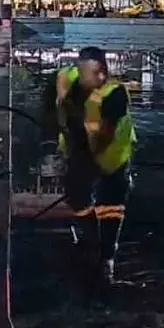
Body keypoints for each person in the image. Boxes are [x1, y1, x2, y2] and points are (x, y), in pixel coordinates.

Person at [52, 47, 136, 285]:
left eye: (102, 72)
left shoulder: (115, 95)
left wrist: (86, 157)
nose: (99, 78)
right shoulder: (71, 78)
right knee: (77, 196)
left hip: (113, 157)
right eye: (93, 73)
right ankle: (89, 240)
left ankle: (107, 256)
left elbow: (104, 138)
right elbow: (62, 75)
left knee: (111, 207)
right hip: (80, 152)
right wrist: (63, 102)